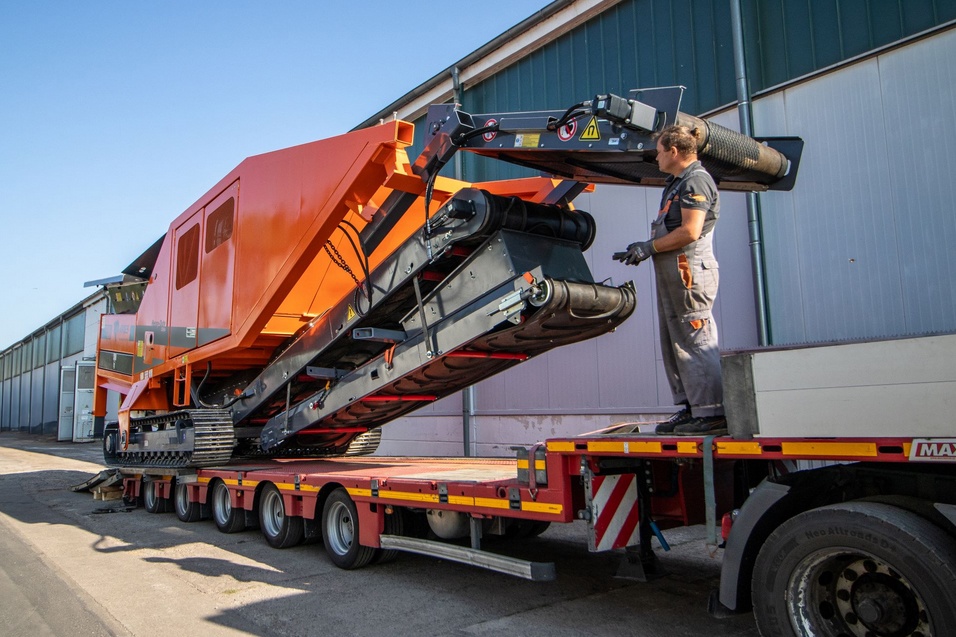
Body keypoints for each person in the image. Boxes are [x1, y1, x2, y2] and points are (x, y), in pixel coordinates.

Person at [615, 124, 726, 436]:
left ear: (674, 151)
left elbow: (690, 231)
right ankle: (693, 408)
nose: (657, 158)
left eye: (660, 152)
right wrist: (644, 248)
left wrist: (649, 247)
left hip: (689, 273)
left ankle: (712, 413)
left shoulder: (696, 180)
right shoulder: (678, 183)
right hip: (675, 274)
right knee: (676, 340)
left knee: (695, 338)